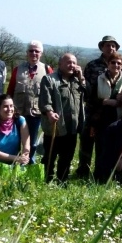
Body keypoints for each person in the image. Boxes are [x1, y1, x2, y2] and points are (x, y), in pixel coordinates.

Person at [76, 36, 122, 179]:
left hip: (114, 113)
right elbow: (86, 89)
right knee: (87, 141)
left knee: (105, 143)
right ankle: (83, 171)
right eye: (107, 45)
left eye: (113, 46)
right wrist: (102, 101)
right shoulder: (92, 65)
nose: (110, 48)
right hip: (93, 110)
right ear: (102, 47)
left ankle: (103, 171)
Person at [39, 53, 85, 183]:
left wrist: (81, 78)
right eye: (68, 62)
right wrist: (49, 113)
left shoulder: (77, 81)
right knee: (50, 156)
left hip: (72, 127)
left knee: (67, 156)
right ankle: (46, 179)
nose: (72, 65)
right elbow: (44, 101)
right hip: (55, 126)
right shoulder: (49, 79)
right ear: (60, 64)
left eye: (74, 63)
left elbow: (87, 94)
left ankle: (62, 180)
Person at [7, 40, 53, 164]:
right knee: (15, 139)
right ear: (26, 53)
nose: (34, 53)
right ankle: (13, 163)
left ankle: (29, 163)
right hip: (18, 113)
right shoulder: (17, 69)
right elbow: (10, 90)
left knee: (32, 142)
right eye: (31, 51)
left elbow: (51, 93)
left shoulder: (47, 70)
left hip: (36, 114)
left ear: (41, 53)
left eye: (36, 51)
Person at [90, 52, 122, 181]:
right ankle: (99, 177)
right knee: (101, 149)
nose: (116, 65)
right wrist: (105, 101)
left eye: (119, 63)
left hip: (119, 119)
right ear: (108, 64)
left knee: (117, 149)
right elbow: (91, 100)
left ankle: (115, 176)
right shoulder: (99, 79)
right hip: (102, 120)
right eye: (113, 62)